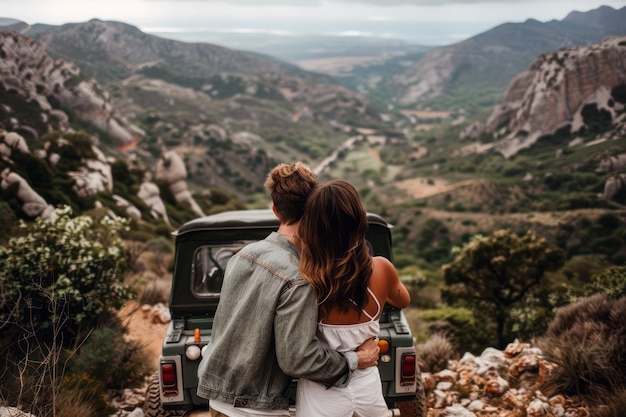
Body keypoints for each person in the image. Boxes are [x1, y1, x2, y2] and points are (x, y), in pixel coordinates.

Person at [196, 163, 380, 417]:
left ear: (275, 210)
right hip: (258, 410)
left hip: (218, 404)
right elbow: (298, 358)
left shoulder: (243, 256)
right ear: (316, 214)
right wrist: (358, 360)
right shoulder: (299, 277)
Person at [296, 179, 411, 417]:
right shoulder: (382, 269)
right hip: (367, 393)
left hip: (320, 397)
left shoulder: (306, 277)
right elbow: (403, 300)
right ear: (359, 220)